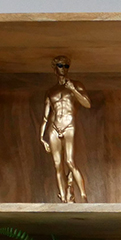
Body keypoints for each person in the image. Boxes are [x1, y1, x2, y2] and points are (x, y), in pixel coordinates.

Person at [41, 56, 90, 203]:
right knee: (57, 165)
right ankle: (63, 198)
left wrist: (73, 90)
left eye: (66, 66)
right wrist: (41, 137)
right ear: (54, 68)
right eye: (61, 65)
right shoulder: (51, 91)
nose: (64, 69)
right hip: (54, 126)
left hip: (68, 124)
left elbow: (87, 103)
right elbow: (45, 116)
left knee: (70, 161)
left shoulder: (76, 85)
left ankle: (83, 196)